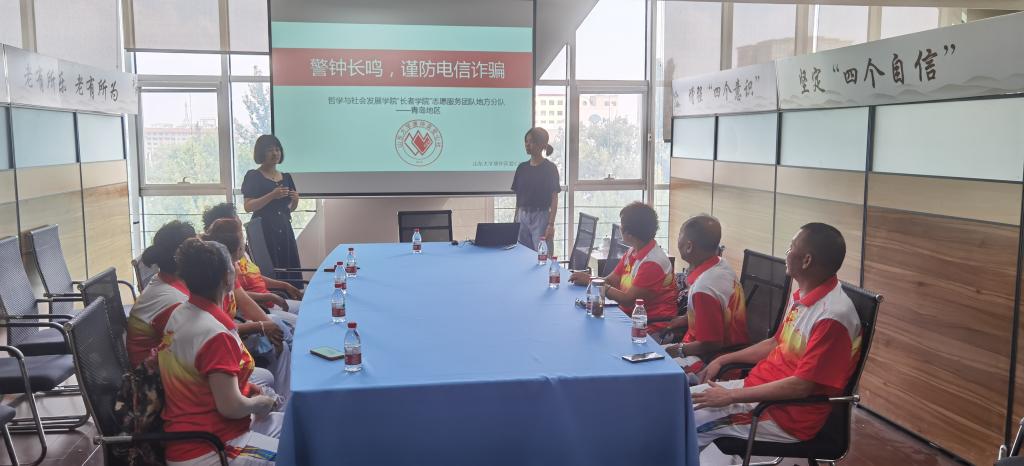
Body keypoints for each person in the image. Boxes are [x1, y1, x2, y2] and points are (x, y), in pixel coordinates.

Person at [691, 223, 861, 462]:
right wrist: (723, 359)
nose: (787, 252)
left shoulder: (833, 317)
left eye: (791, 246)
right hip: (756, 392)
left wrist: (731, 396)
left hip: (782, 415)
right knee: (680, 403)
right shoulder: (803, 295)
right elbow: (774, 343)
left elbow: (801, 386)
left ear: (806, 260)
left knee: (687, 426)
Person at [159, 238, 282, 466]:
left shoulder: (180, 314)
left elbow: (206, 381)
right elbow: (231, 407)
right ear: (227, 278)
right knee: (297, 454)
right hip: (211, 447)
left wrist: (247, 389)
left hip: (191, 434)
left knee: (294, 428)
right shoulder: (215, 335)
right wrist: (261, 403)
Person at [128, 221, 277, 392]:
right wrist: (258, 327)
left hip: (173, 366)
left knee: (262, 369)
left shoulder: (169, 282)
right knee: (265, 377)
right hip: (158, 382)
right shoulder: (173, 299)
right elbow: (204, 338)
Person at [203, 218, 292, 402]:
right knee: (281, 342)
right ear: (236, 248)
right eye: (242, 239)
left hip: (236, 331)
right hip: (228, 341)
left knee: (279, 334)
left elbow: (245, 301)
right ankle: (281, 399)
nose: (245, 244)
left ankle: (285, 396)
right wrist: (261, 327)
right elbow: (220, 330)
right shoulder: (214, 278)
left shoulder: (230, 268)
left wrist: (268, 327)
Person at [569, 202, 677, 339]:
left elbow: (628, 300)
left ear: (629, 234)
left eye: (622, 225)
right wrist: (589, 280)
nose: (619, 228)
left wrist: (591, 281)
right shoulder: (633, 251)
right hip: (627, 316)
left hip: (648, 327)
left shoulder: (653, 263)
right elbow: (611, 280)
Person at [663, 215, 747, 383]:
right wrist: (684, 319)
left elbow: (711, 343)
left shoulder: (704, 288)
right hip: (716, 351)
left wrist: (677, 349)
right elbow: (716, 313)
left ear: (689, 246)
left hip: (710, 363)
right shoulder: (720, 264)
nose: (677, 241)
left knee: (649, 370)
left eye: (679, 236)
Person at [202, 202, 303, 320]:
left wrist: (284, 285)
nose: (239, 220)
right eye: (235, 217)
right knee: (301, 320)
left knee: (307, 311)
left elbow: (255, 277)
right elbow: (238, 298)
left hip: (269, 303)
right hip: (261, 308)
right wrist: (268, 299)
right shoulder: (228, 264)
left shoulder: (240, 253)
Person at [241, 134, 302, 284]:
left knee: (288, 268)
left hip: (284, 228)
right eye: (270, 150)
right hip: (263, 229)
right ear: (261, 153)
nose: (275, 153)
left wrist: (295, 200)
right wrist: (271, 195)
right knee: (269, 270)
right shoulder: (253, 176)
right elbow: (248, 206)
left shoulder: (286, 177)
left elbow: (289, 209)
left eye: (277, 150)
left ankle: (290, 294)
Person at [511, 127, 560, 252]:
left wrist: (551, 225)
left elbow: (554, 198)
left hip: (541, 217)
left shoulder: (550, 168)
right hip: (522, 216)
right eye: (526, 141)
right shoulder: (521, 168)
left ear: (541, 144)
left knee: (542, 256)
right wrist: (515, 219)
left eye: (531, 141)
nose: (527, 145)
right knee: (522, 255)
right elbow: (518, 197)